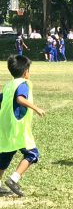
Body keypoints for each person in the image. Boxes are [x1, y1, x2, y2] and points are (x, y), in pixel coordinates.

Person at [0, 55, 45, 197]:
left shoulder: (8, 85)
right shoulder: (23, 84)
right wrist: (36, 108)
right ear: (25, 71)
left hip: (6, 126)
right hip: (18, 127)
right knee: (32, 154)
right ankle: (14, 179)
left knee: (6, 154)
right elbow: (20, 99)